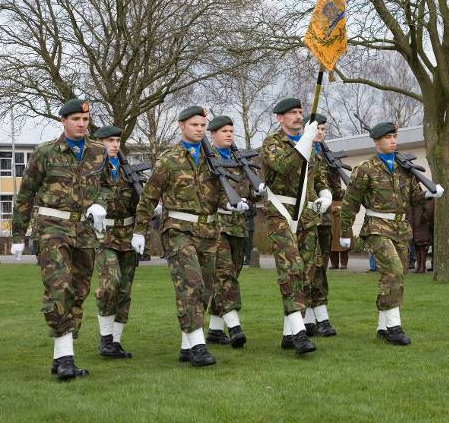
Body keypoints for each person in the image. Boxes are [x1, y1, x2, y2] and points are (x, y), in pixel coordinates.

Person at [132, 105, 249, 367]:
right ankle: (198, 345)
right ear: (182, 126)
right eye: (194, 125)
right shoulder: (169, 159)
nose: (199, 130)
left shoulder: (211, 159)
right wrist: (139, 230)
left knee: (206, 289)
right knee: (191, 284)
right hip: (178, 230)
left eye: (202, 126)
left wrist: (232, 202)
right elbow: (149, 197)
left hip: (209, 231)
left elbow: (219, 191)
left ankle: (186, 345)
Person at [10, 98, 108, 380]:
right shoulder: (45, 152)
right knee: (59, 288)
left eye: (85, 120)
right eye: (76, 119)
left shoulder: (99, 152)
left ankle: (60, 354)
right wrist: (18, 234)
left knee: (78, 290)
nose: (81, 124)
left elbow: (109, 187)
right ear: (63, 121)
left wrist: (100, 202)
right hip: (52, 228)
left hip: (85, 231)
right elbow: (26, 194)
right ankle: (66, 358)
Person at [340, 122, 443, 345]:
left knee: (396, 274)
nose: (393, 141)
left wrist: (430, 194)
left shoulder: (404, 166)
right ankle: (394, 326)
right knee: (394, 270)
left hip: (401, 228)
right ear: (377, 141)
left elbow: (414, 198)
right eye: (388, 138)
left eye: (394, 137)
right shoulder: (365, 168)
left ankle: (382, 326)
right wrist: (345, 231)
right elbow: (350, 202)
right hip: (377, 226)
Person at [260, 98, 330, 355]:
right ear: (280, 118)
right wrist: (306, 141)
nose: (299, 116)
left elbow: (318, 174)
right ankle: (300, 332)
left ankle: (289, 332)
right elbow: (284, 165)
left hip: (306, 214)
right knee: (291, 269)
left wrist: (325, 193)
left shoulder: (310, 142)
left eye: (301, 112)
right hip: (281, 213)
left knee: (307, 272)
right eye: (292, 113)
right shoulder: (271, 144)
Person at [91, 125, 139, 360]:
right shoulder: (90, 170)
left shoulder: (129, 171)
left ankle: (116, 341)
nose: (114, 145)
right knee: (110, 283)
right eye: (109, 140)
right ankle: (105, 338)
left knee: (125, 289)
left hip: (128, 235)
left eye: (117, 141)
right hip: (103, 235)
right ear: (98, 143)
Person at [206, 115, 250, 348]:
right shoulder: (207, 160)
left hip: (239, 227)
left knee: (230, 275)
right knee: (224, 276)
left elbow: (247, 189)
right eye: (223, 131)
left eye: (231, 130)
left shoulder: (239, 159)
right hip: (217, 227)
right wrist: (225, 203)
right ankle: (234, 327)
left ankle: (214, 330)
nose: (229, 134)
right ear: (212, 134)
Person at [304, 113, 343, 337]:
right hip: (308, 217)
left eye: (323, 129)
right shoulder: (303, 152)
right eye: (317, 129)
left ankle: (313, 318)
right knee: (312, 267)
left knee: (322, 268)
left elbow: (336, 191)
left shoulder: (327, 156)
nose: (320, 133)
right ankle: (318, 317)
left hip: (325, 219)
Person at [409, 198, 434, 273]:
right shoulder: (411, 202)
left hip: (422, 227)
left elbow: (429, 211)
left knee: (422, 247)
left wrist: (423, 219)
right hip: (414, 227)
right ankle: (418, 266)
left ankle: (422, 266)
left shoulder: (423, 200)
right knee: (417, 246)